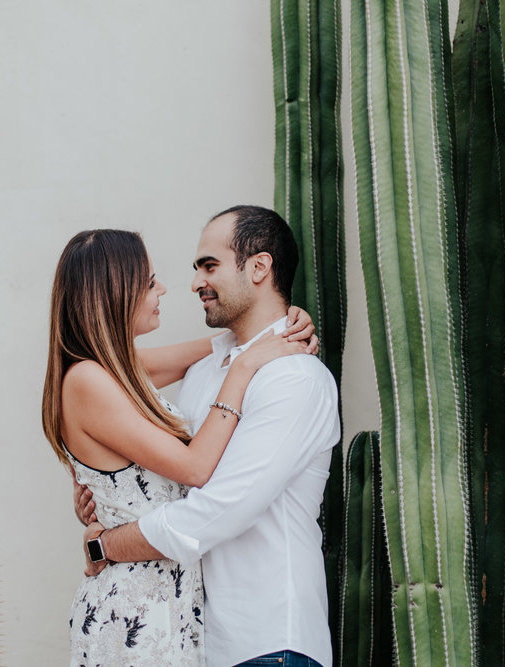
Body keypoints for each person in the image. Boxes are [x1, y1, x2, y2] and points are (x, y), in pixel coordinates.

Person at [78, 206, 340, 667]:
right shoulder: (206, 371)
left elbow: (213, 513)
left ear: (259, 267)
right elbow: (109, 393)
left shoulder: (294, 379)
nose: (196, 282)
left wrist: (106, 544)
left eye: (209, 266)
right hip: (194, 639)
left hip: (265, 641)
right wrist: (103, 491)